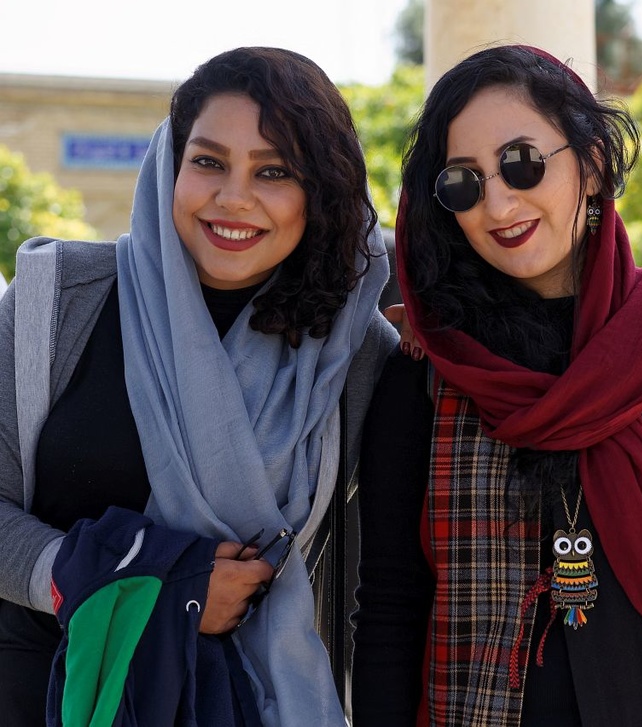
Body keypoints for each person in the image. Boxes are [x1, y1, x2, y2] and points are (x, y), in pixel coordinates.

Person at [351, 44, 642, 726]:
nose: (498, 201)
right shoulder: (429, 369)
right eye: (464, 182)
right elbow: (392, 607)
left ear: (592, 164)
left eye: (522, 162)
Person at [0, 47, 397, 725]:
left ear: (321, 193)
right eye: (209, 161)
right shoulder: (57, 302)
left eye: (274, 171)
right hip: (40, 695)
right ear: (170, 164)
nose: (232, 197)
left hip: (248, 703)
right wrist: (149, 588)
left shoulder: (354, 353)